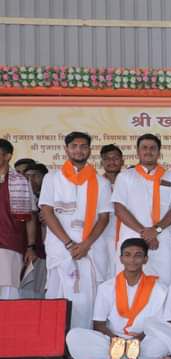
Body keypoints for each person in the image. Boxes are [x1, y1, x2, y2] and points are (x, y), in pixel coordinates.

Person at [40, 132, 111, 328]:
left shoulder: (101, 183)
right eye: (74, 146)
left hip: (90, 251)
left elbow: (104, 218)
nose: (78, 150)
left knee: (87, 301)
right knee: (57, 298)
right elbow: (47, 212)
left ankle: (83, 341)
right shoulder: (52, 178)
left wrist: (86, 245)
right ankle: (56, 343)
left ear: (89, 150)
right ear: (66, 149)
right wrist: (69, 244)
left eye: (83, 146)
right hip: (61, 249)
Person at [65, 238, 170, 359]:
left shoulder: (160, 289)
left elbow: (159, 325)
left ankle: (124, 356)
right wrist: (117, 341)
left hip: (144, 341)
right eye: (127, 255)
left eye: (138, 255)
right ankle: (127, 356)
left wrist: (137, 340)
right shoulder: (106, 287)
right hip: (113, 341)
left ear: (145, 259)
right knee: (74, 335)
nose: (132, 260)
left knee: (162, 342)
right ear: (121, 259)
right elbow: (99, 324)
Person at [113, 133, 171, 285]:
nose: (148, 151)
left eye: (152, 148)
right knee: (131, 285)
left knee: (165, 283)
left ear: (159, 152)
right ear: (138, 151)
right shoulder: (125, 177)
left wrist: (156, 230)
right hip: (133, 239)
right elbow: (119, 208)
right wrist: (145, 234)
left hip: (163, 240)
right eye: (144, 148)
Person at [0, 139, 37, 299]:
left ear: (8, 156)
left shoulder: (20, 182)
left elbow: (30, 217)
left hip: (10, 245)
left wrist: (30, 246)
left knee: (8, 293)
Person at [20, 162, 48, 299]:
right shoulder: (21, 199)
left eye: (36, 176)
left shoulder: (51, 199)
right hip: (26, 251)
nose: (31, 180)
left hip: (46, 253)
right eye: (27, 177)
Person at [98, 144, 125, 279]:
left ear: (122, 161)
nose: (111, 162)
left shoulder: (130, 182)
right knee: (105, 273)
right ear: (101, 162)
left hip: (126, 234)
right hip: (102, 235)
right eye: (107, 159)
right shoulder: (95, 184)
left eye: (115, 158)